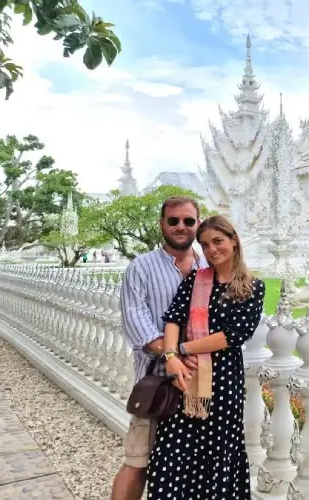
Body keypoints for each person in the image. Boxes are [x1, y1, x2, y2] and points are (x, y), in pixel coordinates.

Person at [147, 215, 265, 499]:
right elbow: (173, 318)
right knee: (174, 452)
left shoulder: (251, 287)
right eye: (205, 244)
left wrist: (184, 349)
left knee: (218, 453)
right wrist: (172, 358)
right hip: (186, 380)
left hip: (223, 384)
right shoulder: (196, 280)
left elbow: (234, 334)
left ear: (233, 240)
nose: (212, 250)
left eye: (218, 241)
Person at [111, 196, 207, 500]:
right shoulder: (141, 268)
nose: (181, 227)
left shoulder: (208, 265)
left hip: (198, 380)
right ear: (161, 224)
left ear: (198, 224)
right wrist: (173, 356)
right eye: (173, 220)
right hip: (158, 381)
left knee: (189, 465)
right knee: (139, 460)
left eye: (188, 221)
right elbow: (138, 325)